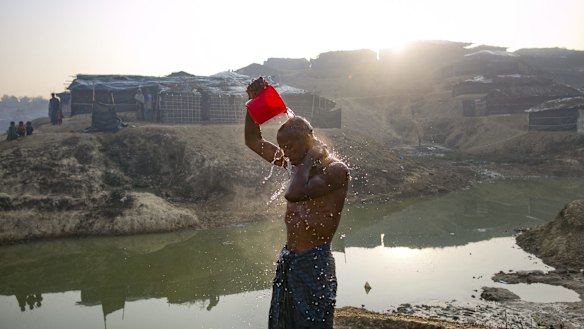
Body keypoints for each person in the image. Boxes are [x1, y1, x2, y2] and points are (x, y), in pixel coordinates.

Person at [244, 79, 350, 329]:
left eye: (290, 146)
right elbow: (252, 140)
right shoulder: (297, 165)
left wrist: (312, 155)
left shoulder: (335, 171)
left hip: (314, 262)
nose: (285, 152)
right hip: (289, 259)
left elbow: (294, 194)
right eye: (282, 147)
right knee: (283, 323)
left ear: (309, 139)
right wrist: (252, 105)